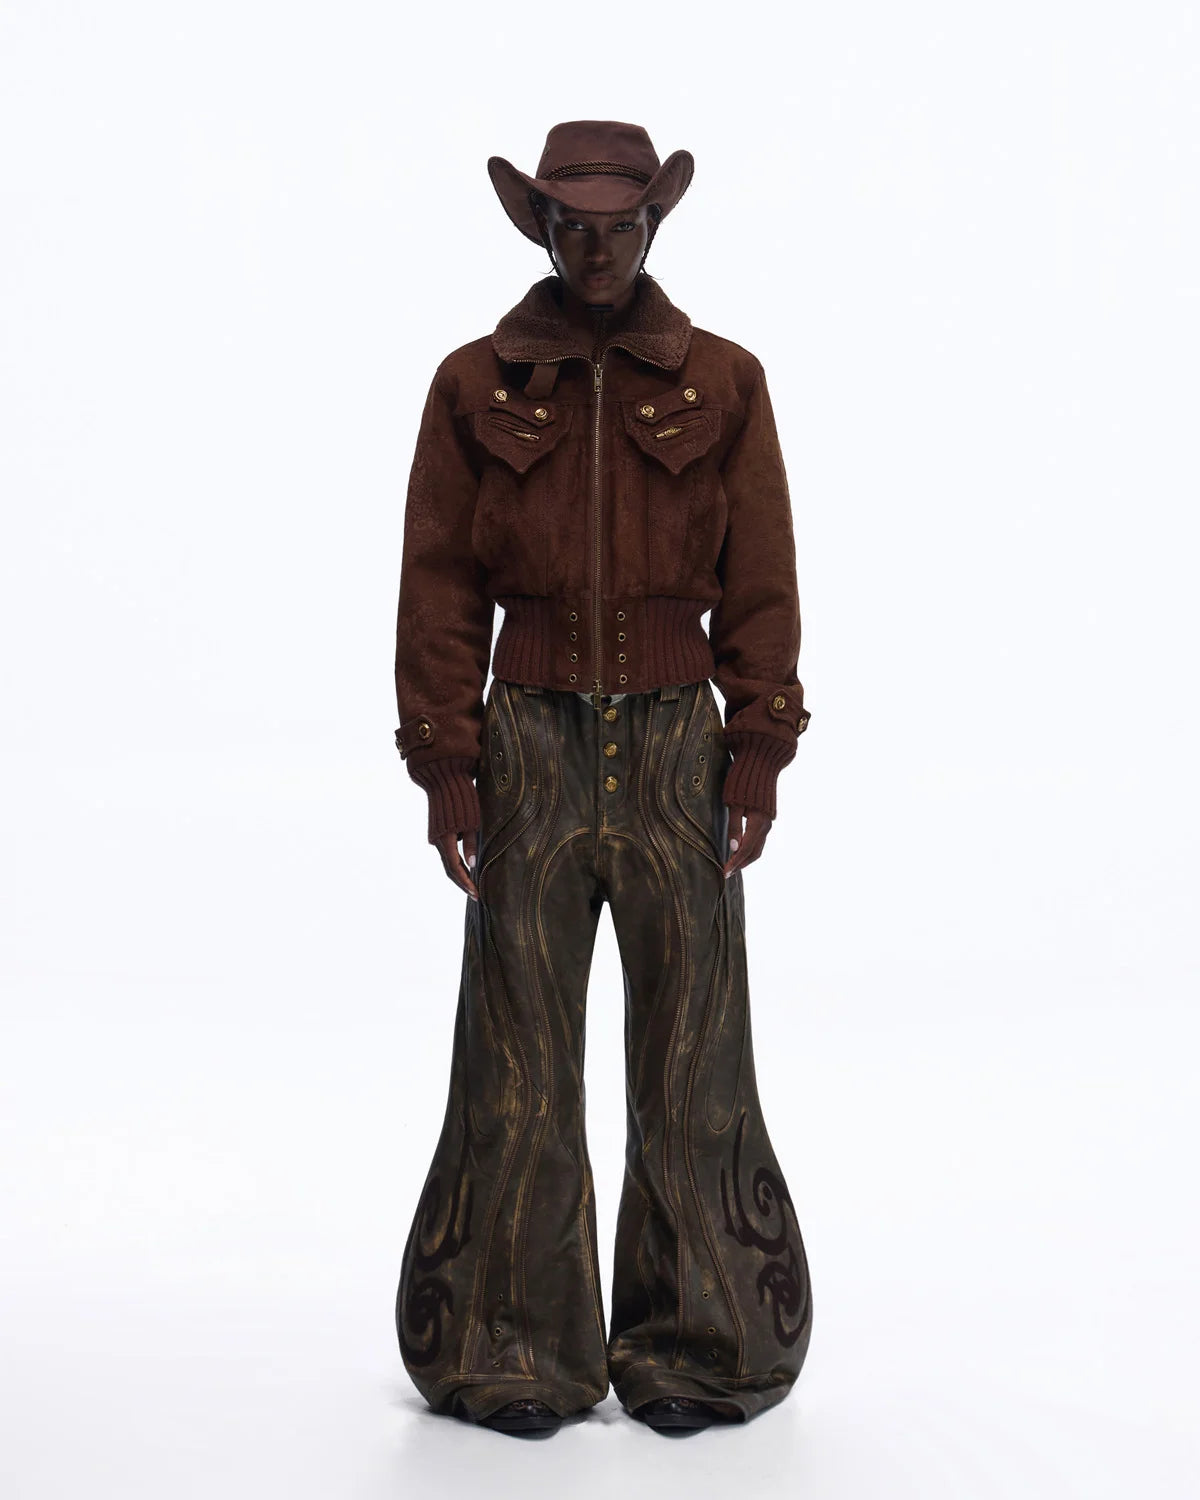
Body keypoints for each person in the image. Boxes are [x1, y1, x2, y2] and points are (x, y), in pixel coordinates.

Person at [392, 121, 813, 1437]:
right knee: (515, 1055)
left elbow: (763, 577)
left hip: (681, 749)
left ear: (651, 226)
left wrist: (758, 748)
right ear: (541, 228)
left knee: (694, 1052)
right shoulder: (473, 383)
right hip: (527, 744)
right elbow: (437, 588)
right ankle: (510, 1350)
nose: (594, 248)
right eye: (570, 225)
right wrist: (447, 763)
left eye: (617, 226)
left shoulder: (726, 380)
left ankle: (704, 1347)